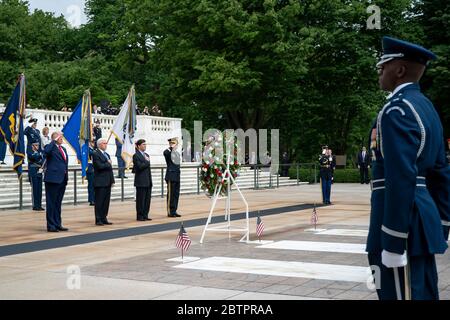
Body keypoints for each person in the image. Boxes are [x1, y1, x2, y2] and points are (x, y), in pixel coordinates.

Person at [366, 36, 450, 300]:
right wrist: (442, 224)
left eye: (384, 64)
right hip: (422, 222)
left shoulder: (396, 111)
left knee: (400, 294)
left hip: (401, 224)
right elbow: (441, 172)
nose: (379, 70)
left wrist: (392, 240)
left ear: (399, 70)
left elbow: (400, 177)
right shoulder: (426, 107)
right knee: (422, 292)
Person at [43, 132, 69, 232]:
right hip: (52, 179)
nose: (62, 139)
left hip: (62, 179)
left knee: (58, 203)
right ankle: (51, 225)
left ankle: (58, 223)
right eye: (60, 137)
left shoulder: (63, 149)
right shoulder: (50, 147)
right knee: (51, 203)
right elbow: (45, 152)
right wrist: (53, 141)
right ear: (55, 138)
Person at [92, 138, 115, 226]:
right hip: (100, 182)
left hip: (107, 181)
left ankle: (104, 217)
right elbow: (99, 166)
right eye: (104, 143)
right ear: (100, 144)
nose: (106, 145)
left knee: (106, 202)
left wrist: (112, 180)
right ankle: (98, 219)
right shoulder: (95, 154)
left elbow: (110, 170)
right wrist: (108, 163)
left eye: (106, 143)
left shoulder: (107, 155)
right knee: (99, 201)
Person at [132, 139, 153, 221]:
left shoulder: (147, 155)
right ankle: (140, 215)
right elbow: (139, 166)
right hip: (140, 181)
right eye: (143, 144)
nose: (145, 146)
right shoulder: (136, 155)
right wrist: (147, 163)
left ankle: (145, 214)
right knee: (140, 199)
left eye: (145, 144)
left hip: (148, 180)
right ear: (138, 146)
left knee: (147, 199)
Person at [164, 137, 181, 217]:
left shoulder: (177, 153)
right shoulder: (168, 152)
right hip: (171, 176)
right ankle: (170, 211)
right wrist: (170, 147)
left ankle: (174, 210)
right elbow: (165, 153)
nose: (174, 145)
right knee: (170, 194)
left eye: (175, 144)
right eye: (172, 143)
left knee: (176, 194)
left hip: (177, 176)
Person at [27, 142, 44, 211]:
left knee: (39, 190)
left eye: (38, 145)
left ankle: (39, 205)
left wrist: (39, 158)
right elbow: (33, 158)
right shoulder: (30, 152)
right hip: (33, 172)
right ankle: (35, 205)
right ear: (32, 146)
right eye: (36, 145)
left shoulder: (39, 153)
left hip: (39, 173)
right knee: (35, 190)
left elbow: (43, 161)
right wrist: (39, 157)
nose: (37, 146)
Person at [86, 141, 95, 206]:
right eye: (92, 142)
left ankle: (94, 199)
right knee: (91, 185)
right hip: (90, 169)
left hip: (94, 169)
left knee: (94, 185)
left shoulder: (93, 149)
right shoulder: (87, 149)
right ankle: (91, 200)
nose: (93, 144)